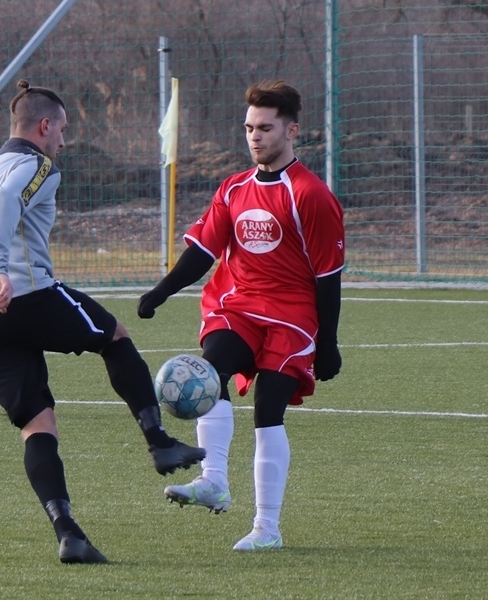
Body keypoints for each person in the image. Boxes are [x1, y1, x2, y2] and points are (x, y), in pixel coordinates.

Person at [0, 79, 206, 564]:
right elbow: (5, 208)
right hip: (25, 293)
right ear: (44, 126)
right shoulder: (36, 165)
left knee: (38, 426)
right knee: (115, 337)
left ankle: (69, 532)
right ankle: (159, 443)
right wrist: (0, 271)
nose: (63, 139)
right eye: (62, 128)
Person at [137, 80, 345, 551]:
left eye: (265, 128)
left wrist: (328, 344)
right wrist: (162, 290)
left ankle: (266, 528)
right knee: (210, 373)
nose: (255, 137)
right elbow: (201, 252)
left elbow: (327, 278)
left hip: (292, 318)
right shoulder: (234, 188)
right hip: (238, 307)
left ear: (291, 130)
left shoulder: (310, 195)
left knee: (268, 413)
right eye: (249, 128)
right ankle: (213, 481)